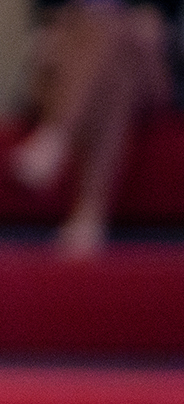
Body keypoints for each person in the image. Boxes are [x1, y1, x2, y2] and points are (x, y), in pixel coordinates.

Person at [10, 0, 178, 257]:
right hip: (68, 67)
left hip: (149, 67)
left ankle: (55, 137)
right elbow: (44, 28)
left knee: (118, 34)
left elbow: (159, 27)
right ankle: (89, 216)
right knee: (117, 75)